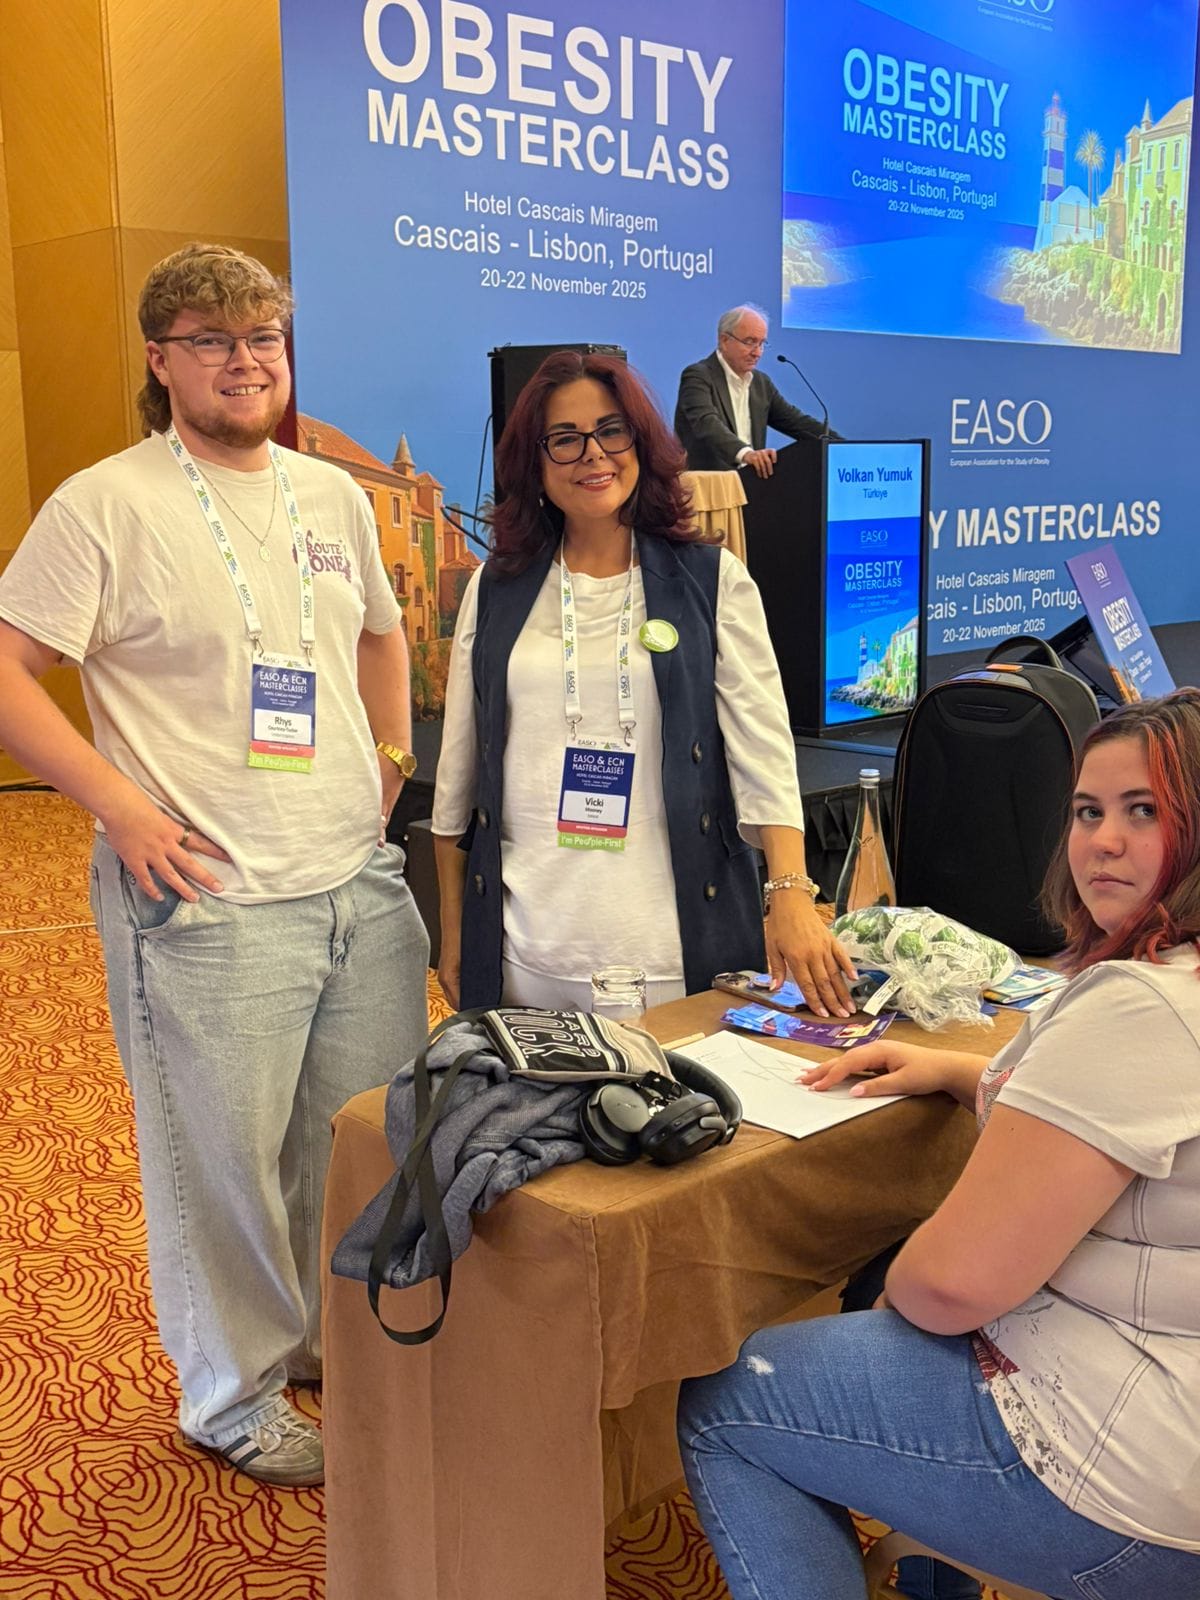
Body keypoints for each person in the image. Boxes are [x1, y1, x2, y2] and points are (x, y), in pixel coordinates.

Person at [0, 244, 430, 1487]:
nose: (245, 363)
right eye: (213, 341)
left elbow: (380, 638)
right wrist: (119, 809)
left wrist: (390, 758)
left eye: (265, 340)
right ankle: (228, 1394)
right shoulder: (105, 502)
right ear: (160, 360)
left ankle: (303, 1340)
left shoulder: (330, 493)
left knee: (347, 1142)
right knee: (219, 1162)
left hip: (354, 883)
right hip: (206, 897)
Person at [678, 687, 1200, 1600]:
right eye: (1087, 812)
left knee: (733, 1392)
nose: (1102, 842)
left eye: (1143, 812)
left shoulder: (1143, 1005)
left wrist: (911, 1271)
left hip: (1133, 1477)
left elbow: (950, 1287)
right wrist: (962, 1074)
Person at [432, 349, 855, 1018]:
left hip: (676, 959)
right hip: (526, 959)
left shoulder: (712, 581)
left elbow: (764, 751)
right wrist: (455, 936)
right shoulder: (498, 588)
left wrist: (792, 892)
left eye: (611, 430)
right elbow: (458, 777)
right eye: (564, 440)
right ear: (535, 464)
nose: (592, 455)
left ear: (641, 440)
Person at [674, 304, 837, 479]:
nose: (757, 352)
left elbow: (797, 423)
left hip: (752, 487)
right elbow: (707, 423)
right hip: (708, 489)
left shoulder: (761, 383)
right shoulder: (698, 376)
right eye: (750, 342)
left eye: (762, 343)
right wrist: (746, 454)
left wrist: (845, 446)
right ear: (724, 340)